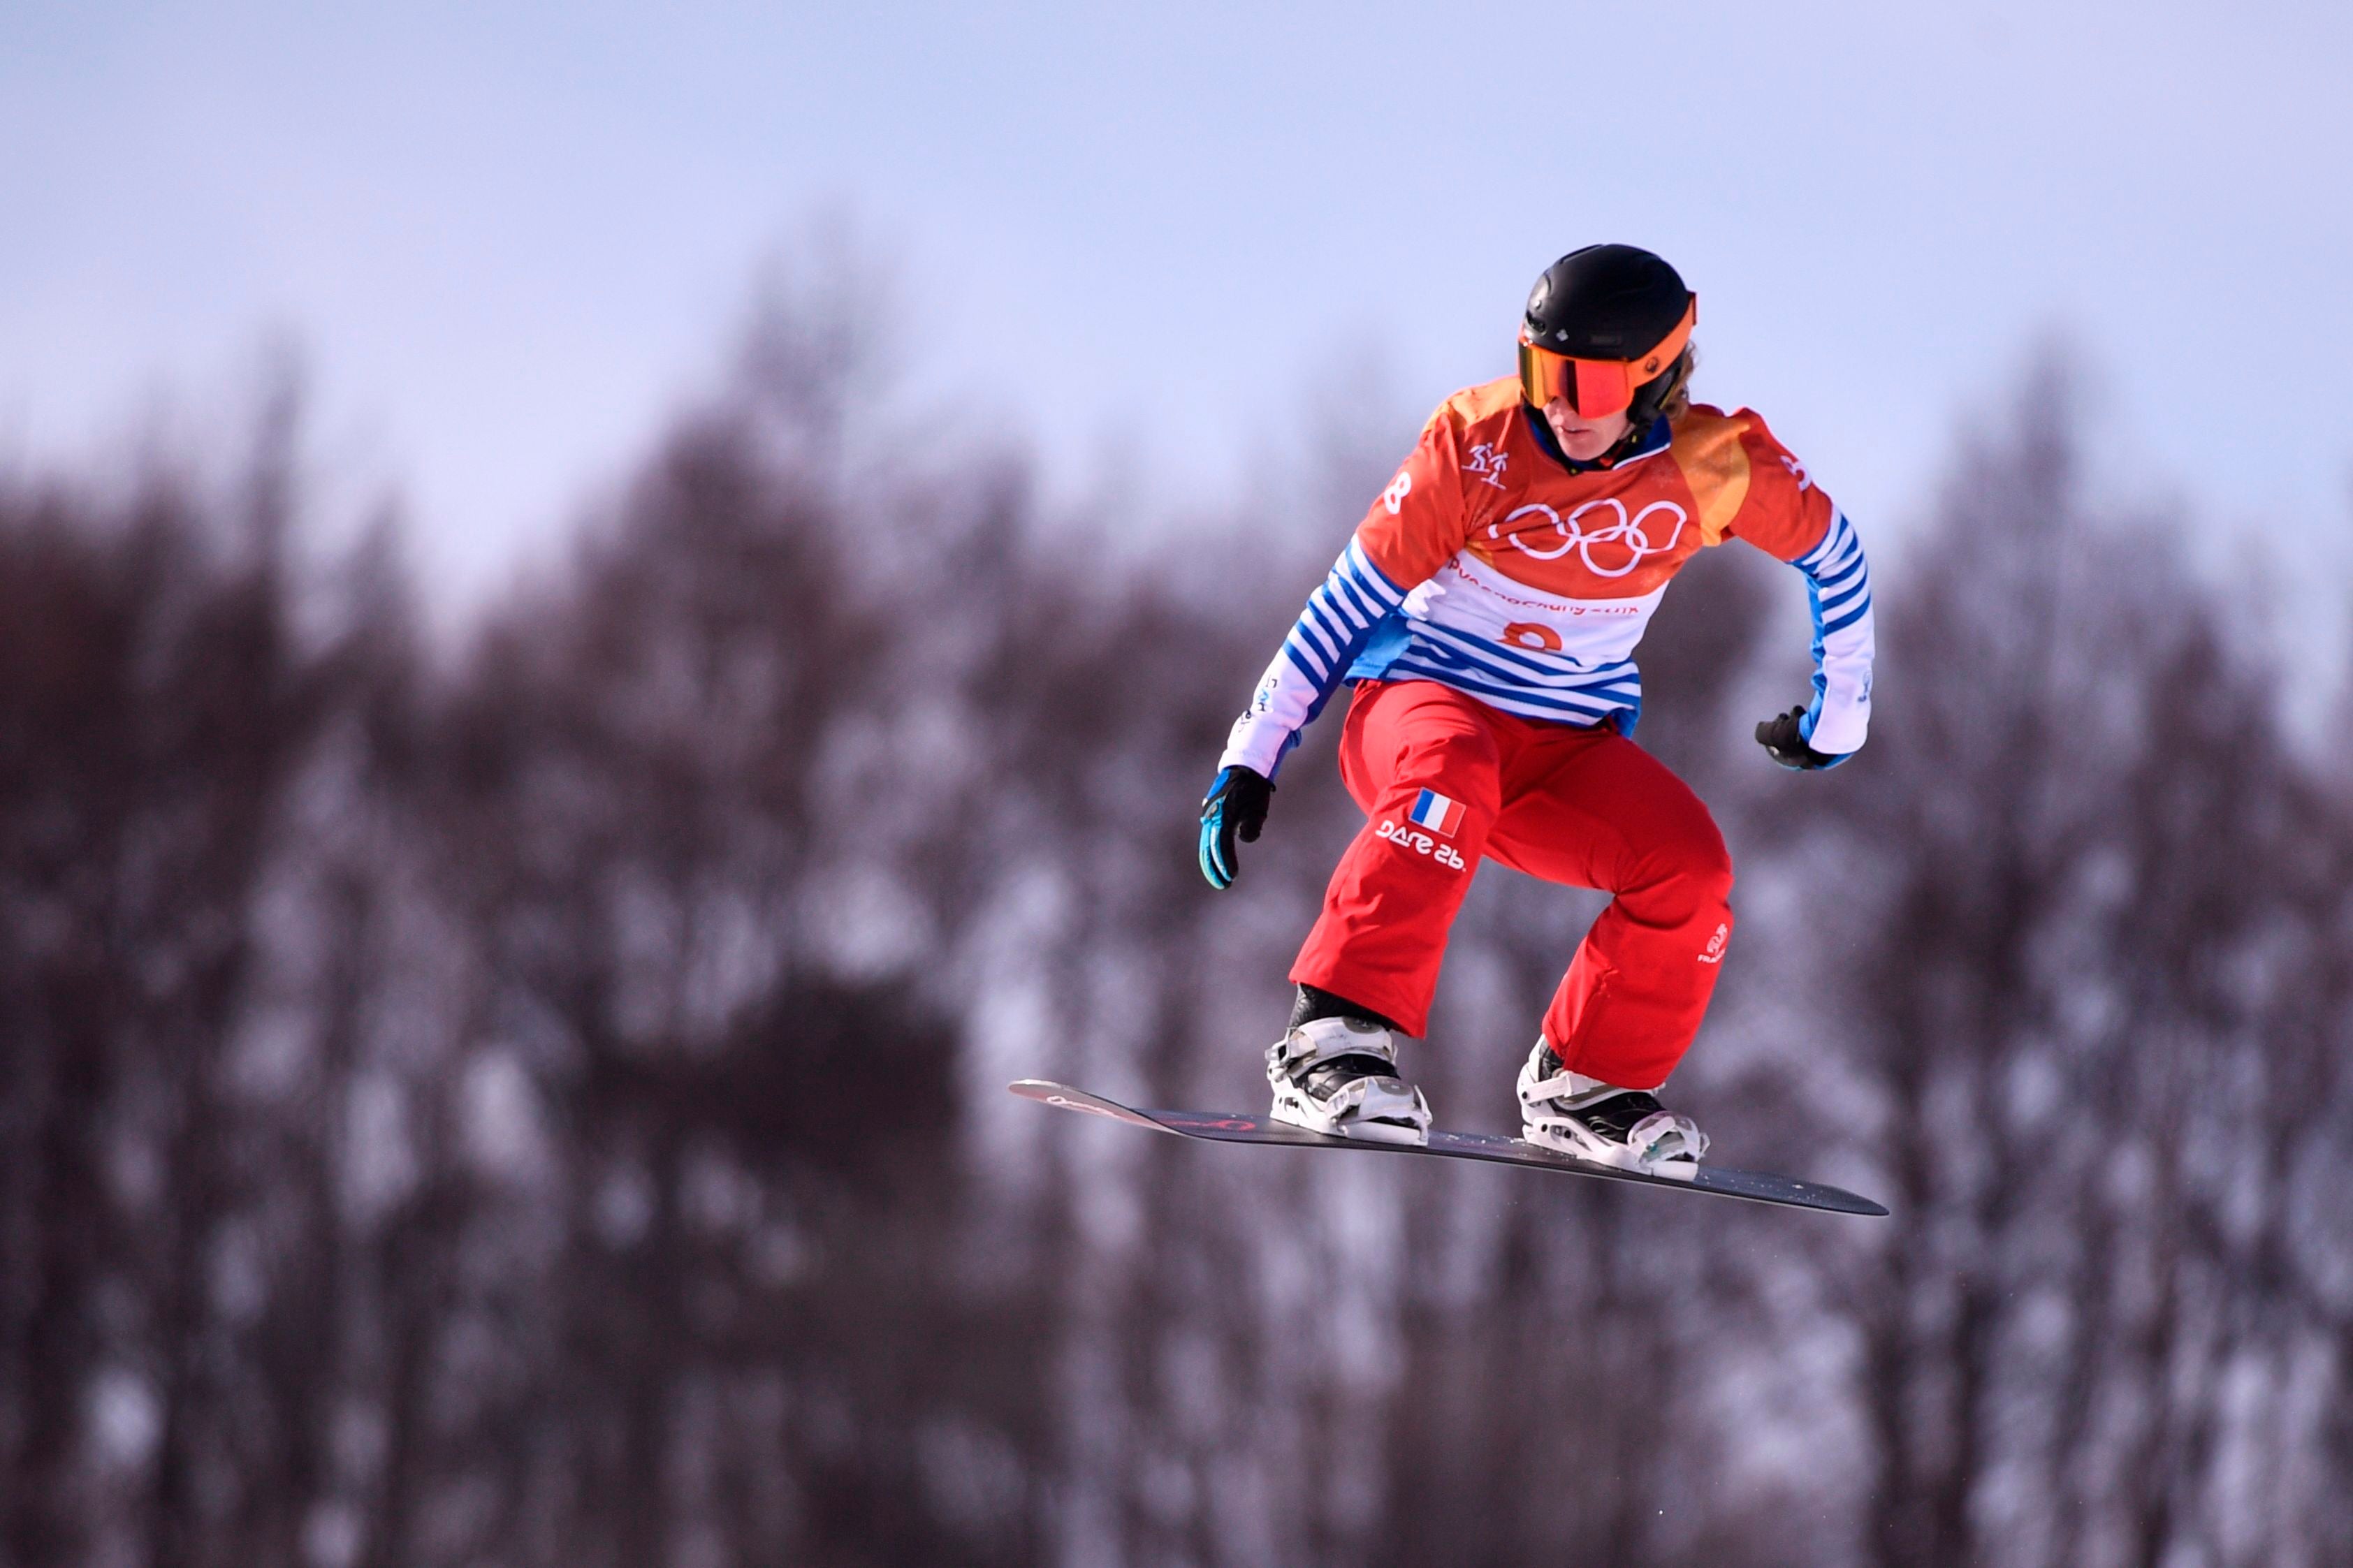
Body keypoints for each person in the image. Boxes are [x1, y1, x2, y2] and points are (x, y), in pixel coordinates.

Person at [1195, 244, 1874, 1177]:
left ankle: (1587, 1082)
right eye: (1541, 370)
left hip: (1560, 750)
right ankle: (1331, 1040)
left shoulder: (1716, 467)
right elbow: (1346, 602)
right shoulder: (1474, 444)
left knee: (1690, 865)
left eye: (1589, 385)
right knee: (1450, 774)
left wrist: (1842, 713)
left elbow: (1834, 555)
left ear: (1656, 380)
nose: (1558, 404)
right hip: (1419, 708)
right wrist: (1254, 751)